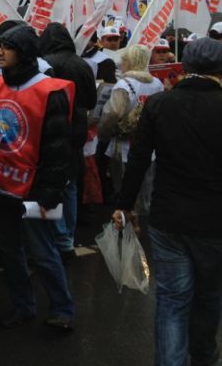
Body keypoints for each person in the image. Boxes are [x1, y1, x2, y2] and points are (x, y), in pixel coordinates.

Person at [113, 38, 222, 366]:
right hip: (214, 223)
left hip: (168, 218)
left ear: (184, 66)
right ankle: (204, 355)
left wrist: (124, 204)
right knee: (209, 295)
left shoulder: (160, 105)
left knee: (173, 301)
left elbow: (139, 159)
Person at [0, 25, 76, 331]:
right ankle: (23, 305)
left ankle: (62, 309)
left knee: (43, 250)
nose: (0, 52)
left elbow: (58, 148)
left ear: (24, 52)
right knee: (9, 250)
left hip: (36, 187)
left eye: (7, 47)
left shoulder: (51, 90)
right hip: (1, 185)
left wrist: (51, 191)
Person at [39, 23, 98, 262]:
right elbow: (92, 100)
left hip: (53, 130)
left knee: (54, 183)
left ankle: (59, 238)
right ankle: (67, 238)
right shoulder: (81, 63)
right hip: (77, 131)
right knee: (71, 184)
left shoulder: (45, 64)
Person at [97, 44, 163, 196]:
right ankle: (142, 218)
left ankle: (125, 217)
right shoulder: (157, 84)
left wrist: (103, 134)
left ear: (128, 61)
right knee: (145, 188)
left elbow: (112, 114)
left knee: (123, 187)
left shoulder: (124, 85)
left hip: (124, 146)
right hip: (149, 145)